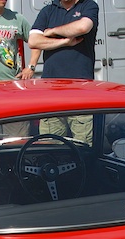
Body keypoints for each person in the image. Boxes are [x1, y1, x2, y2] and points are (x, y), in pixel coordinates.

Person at [29, 0, 100, 143]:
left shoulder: (88, 5)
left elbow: (82, 27)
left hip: (80, 91)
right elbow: (33, 41)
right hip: (51, 91)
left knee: (84, 146)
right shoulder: (48, 11)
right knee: (50, 146)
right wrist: (64, 42)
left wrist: (53, 31)